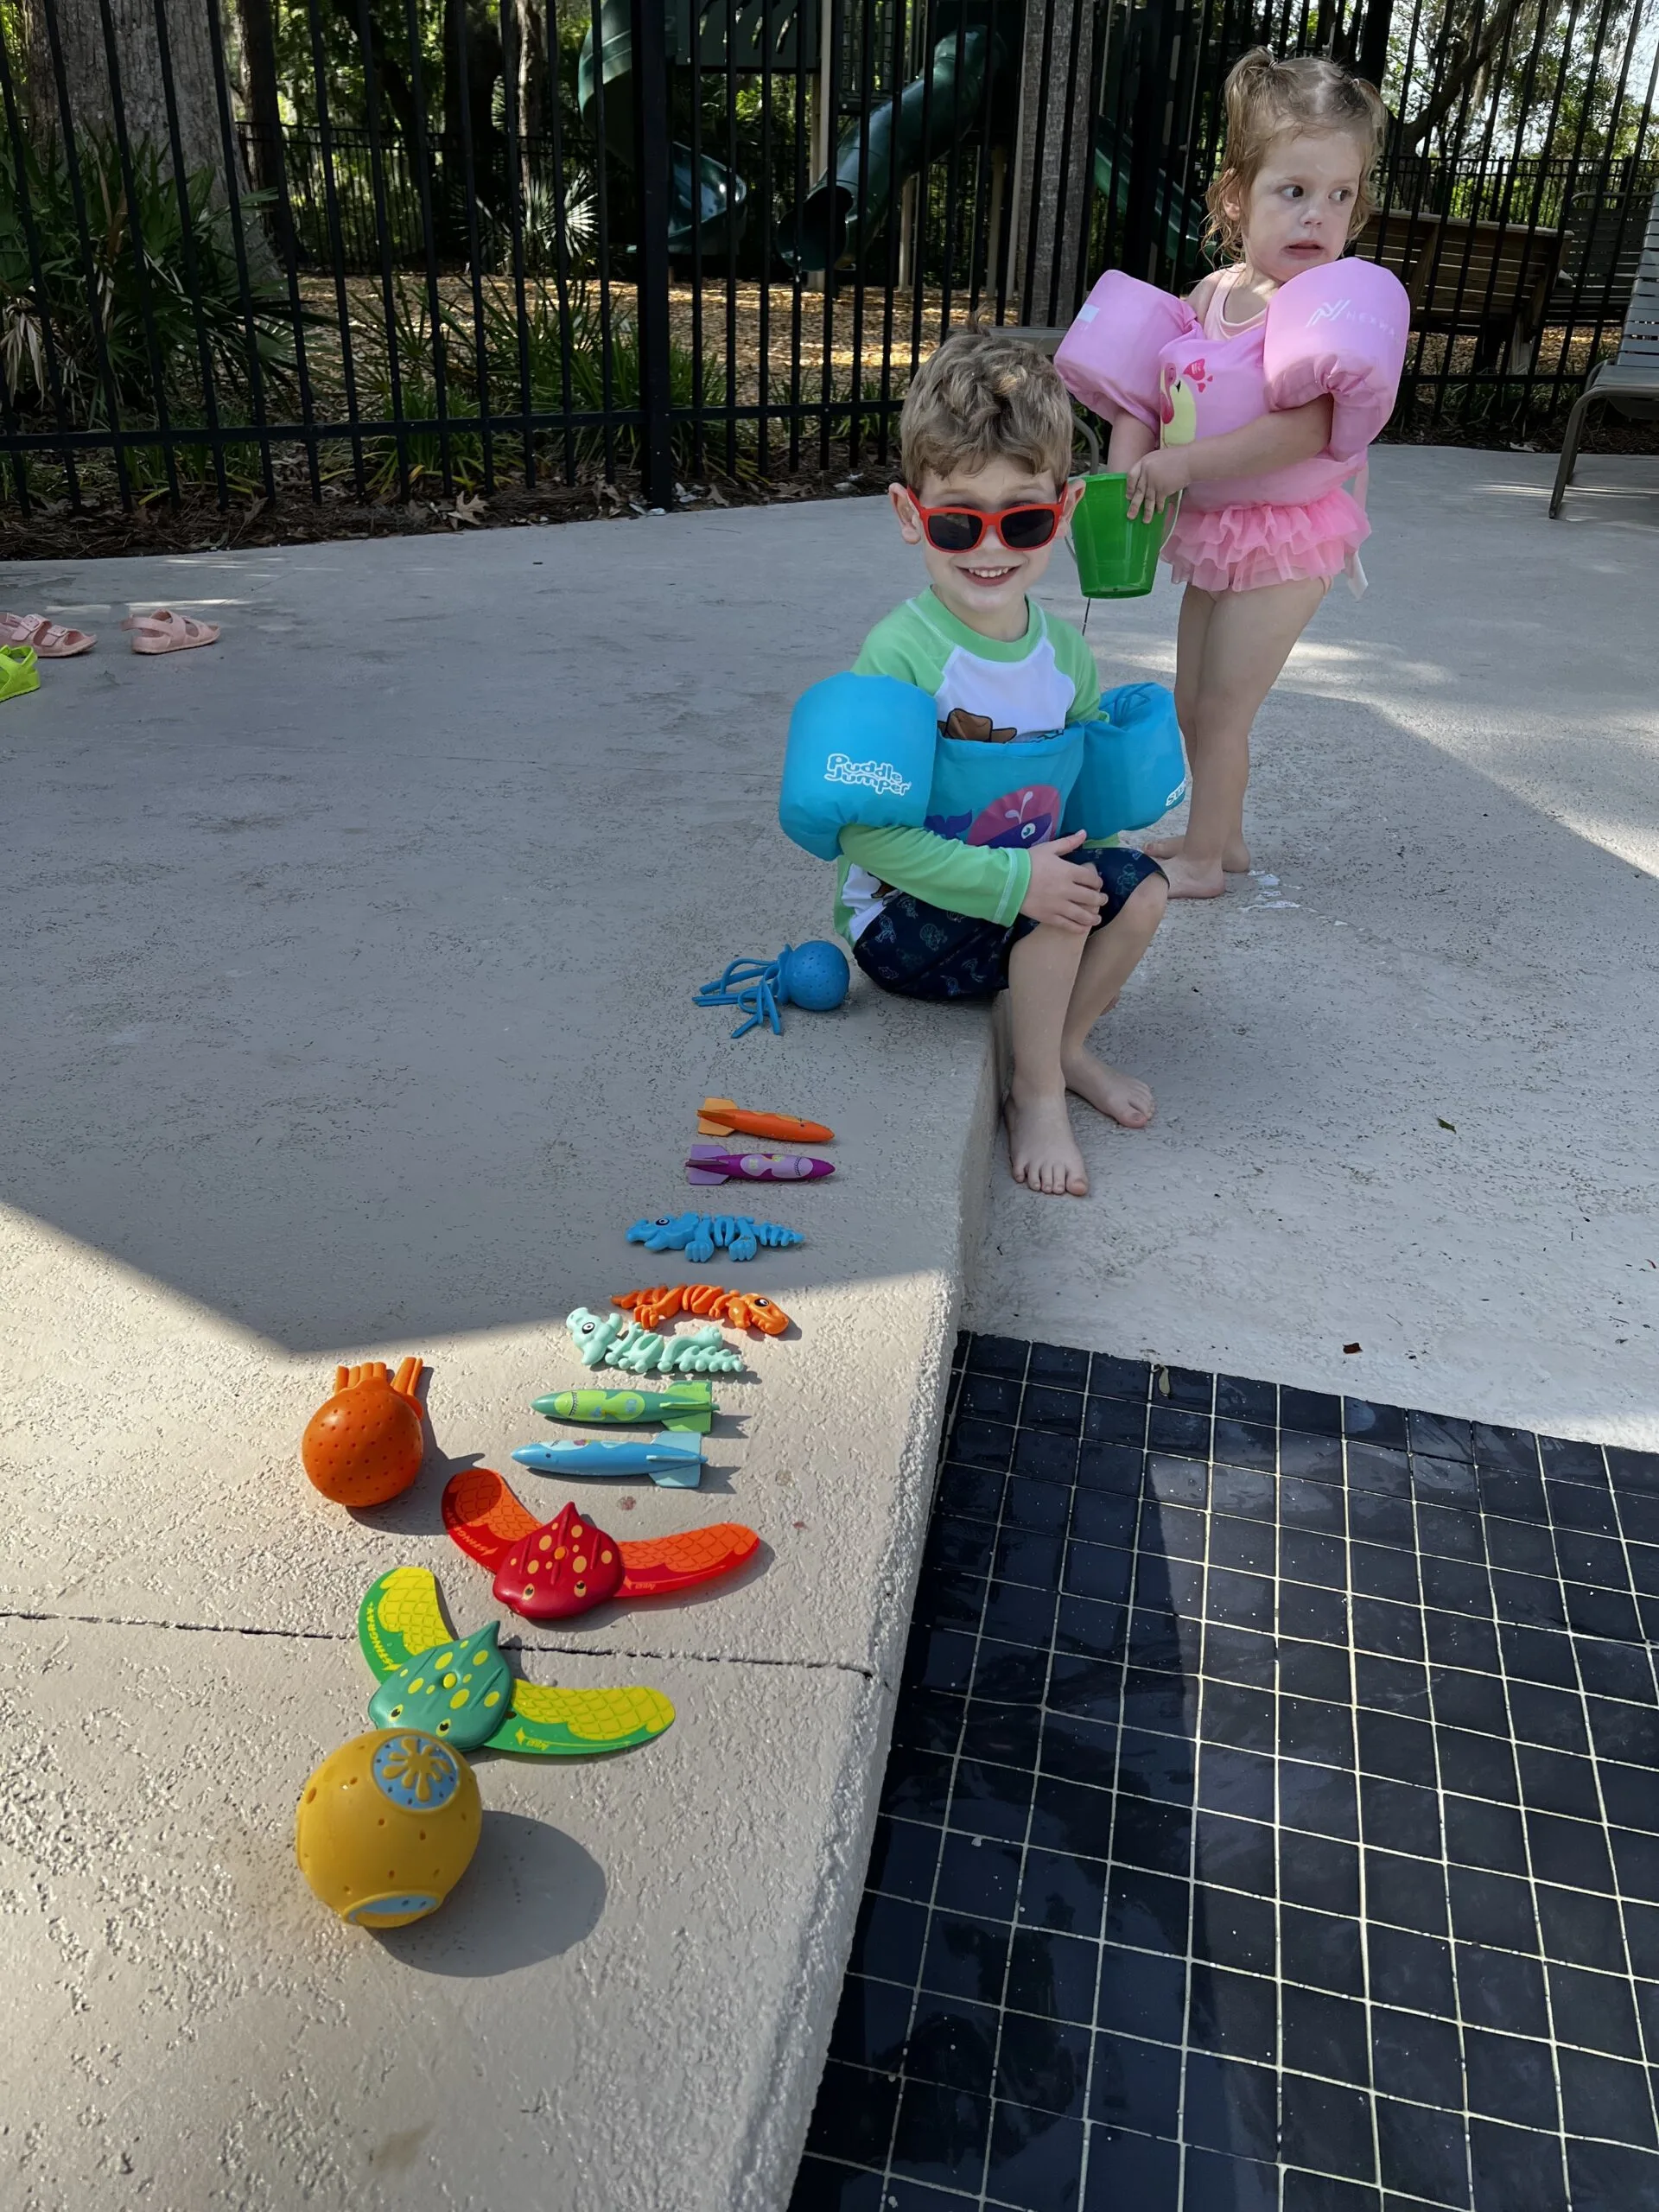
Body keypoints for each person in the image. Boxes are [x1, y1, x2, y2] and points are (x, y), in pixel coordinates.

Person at [836, 328, 1168, 1200]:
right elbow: (869, 836)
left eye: (1020, 517)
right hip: (908, 921)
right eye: (958, 521)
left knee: (1143, 889)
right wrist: (1014, 886)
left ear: (1060, 513)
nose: (991, 547)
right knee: (1056, 904)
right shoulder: (899, 655)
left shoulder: (1066, 658)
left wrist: (1116, 786)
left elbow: (1083, 797)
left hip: (1021, 895)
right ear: (912, 517)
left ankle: (1060, 1043)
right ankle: (1038, 1093)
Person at [1097, 48, 1395, 899]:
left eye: (1340, 196)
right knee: (1192, 699)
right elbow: (1149, 398)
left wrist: (1183, 464)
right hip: (1219, 531)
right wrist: (1129, 486)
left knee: (1227, 704)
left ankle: (1201, 861)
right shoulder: (1213, 294)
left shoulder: (1328, 307)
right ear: (1237, 197)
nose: (1318, 216)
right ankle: (1217, 839)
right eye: (1293, 191)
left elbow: (1304, 430)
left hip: (1293, 537)